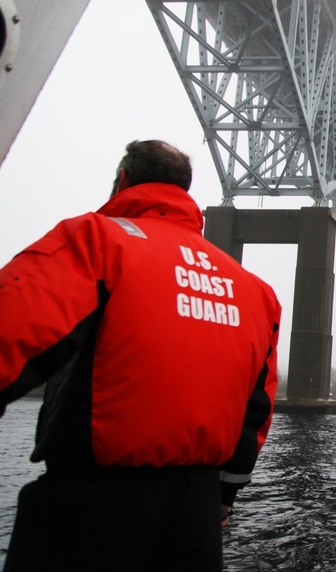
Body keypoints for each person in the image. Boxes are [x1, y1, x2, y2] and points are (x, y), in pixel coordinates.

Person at [0, 140, 281, 572]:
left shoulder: (95, 240)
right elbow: (256, 408)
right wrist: (223, 496)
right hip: (197, 517)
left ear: (124, 180)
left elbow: (12, 329)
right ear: (184, 190)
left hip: (90, 508)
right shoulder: (254, 290)